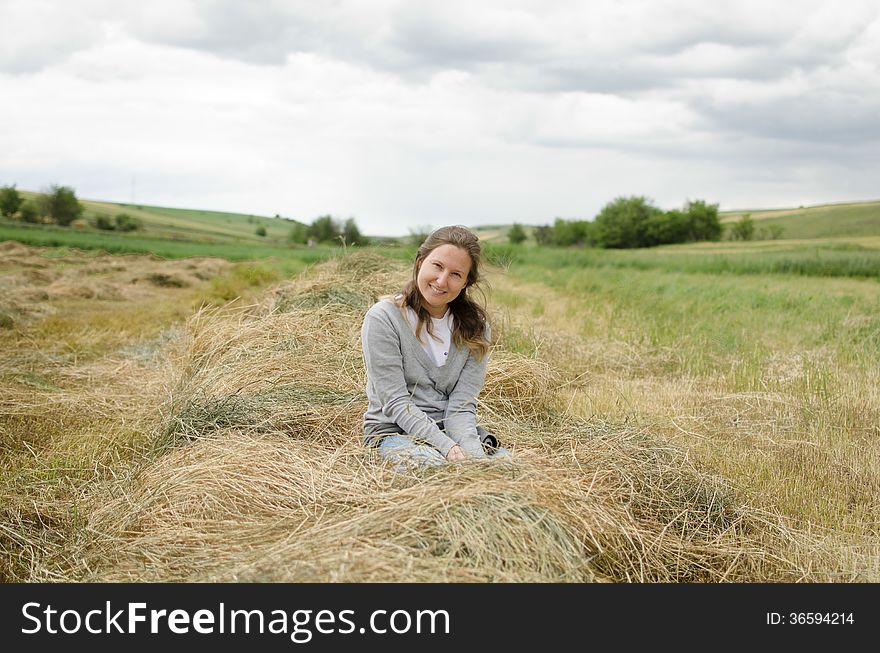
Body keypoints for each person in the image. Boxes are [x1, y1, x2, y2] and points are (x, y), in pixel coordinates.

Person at [360, 225, 506, 468]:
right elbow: (396, 402)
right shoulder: (383, 318)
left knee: (507, 471)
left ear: (466, 283)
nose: (441, 281)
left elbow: (461, 407)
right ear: (420, 262)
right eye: (437, 266)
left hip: (452, 431)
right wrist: (447, 448)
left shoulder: (476, 329)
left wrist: (474, 460)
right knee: (435, 471)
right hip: (394, 431)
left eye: (455, 274)